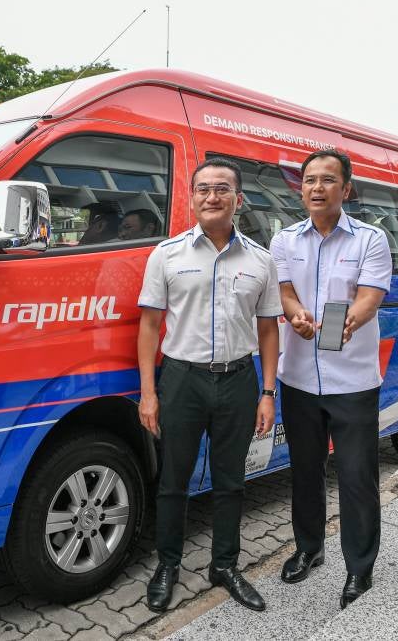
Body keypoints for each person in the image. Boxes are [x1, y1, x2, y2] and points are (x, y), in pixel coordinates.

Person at [137, 157, 281, 613]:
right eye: (203, 188)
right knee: (173, 480)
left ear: (239, 199)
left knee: (231, 481)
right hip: (182, 380)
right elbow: (149, 326)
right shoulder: (167, 254)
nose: (212, 196)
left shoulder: (261, 260)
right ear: (192, 197)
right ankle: (168, 565)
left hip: (239, 380)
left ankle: (225, 565)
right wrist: (148, 393)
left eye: (222, 189)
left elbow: (268, 329)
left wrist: (268, 392)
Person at [268, 150, 392, 609]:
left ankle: (359, 567)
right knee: (305, 470)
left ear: (346, 188)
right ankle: (309, 548)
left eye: (327, 180)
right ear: (300, 188)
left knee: (358, 476)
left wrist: (346, 323)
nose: (317, 188)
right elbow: (284, 291)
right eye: (309, 180)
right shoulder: (284, 240)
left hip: (353, 381)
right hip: (299, 377)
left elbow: (370, 296)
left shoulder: (370, 239)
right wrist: (295, 314)